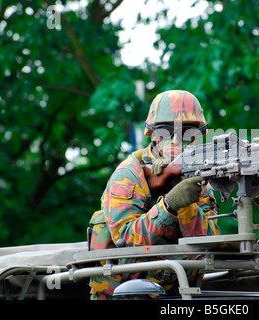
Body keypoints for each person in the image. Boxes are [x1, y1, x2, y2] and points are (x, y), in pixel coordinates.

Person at [88, 90, 220, 300]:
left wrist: (187, 204)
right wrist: (169, 205)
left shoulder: (198, 174)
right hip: (125, 293)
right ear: (155, 136)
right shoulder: (130, 174)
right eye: (168, 132)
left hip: (180, 293)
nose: (177, 140)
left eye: (188, 132)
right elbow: (127, 239)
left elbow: (209, 244)